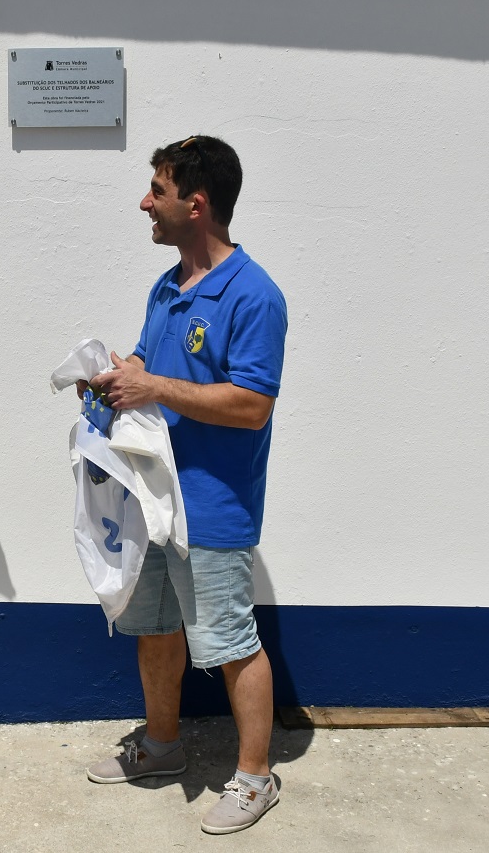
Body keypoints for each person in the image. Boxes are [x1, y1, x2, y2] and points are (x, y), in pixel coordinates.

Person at [84, 135, 288, 835]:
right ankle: (163, 746)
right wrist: (118, 376)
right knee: (155, 632)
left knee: (232, 642)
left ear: (196, 205)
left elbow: (252, 404)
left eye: (158, 190)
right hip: (153, 501)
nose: (146, 201)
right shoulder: (168, 287)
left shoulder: (254, 295)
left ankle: (256, 777)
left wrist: (154, 384)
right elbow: (151, 361)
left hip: (212, 507)